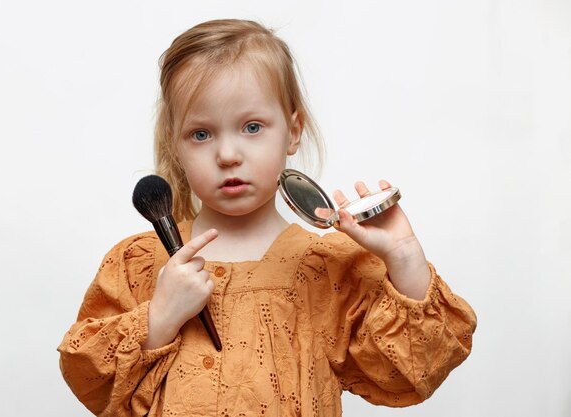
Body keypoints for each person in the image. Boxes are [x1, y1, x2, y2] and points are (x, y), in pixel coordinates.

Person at [58, 19, 476, 416]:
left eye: (252, 127)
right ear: (176, 145)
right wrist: (159, 319)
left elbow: (413, 371)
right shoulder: (141, 263)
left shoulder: (328, 267)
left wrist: (403, 257)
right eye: (201, 134)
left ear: (293, 131)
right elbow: (90, 379)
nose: (227, 154)